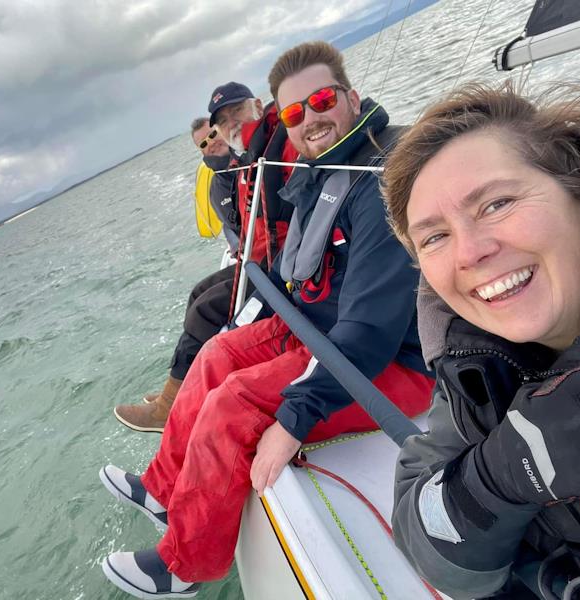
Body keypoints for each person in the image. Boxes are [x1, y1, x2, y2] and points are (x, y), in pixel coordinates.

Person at [99, 41, 434, 598]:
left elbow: (370, 334)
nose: (310, 119)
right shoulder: (319, 172)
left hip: (385, 364)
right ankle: (164, 491)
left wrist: (295, 417)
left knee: (236, 401)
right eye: (295, 113)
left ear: (350, 97)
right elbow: (292, 272)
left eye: (322, 99)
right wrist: (245, 327)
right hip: (317, 329)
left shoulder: (375, 181)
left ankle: (187, 564)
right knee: (216, 354)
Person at [383, 81, 580, 598]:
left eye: (497, 203)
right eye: (436, 236)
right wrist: (506, 470)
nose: (470, 252)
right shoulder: (478, 360)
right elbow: (422, 533)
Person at [112, 83, 297, 433]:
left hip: (276, 269)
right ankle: (175, 393)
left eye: (236, 114)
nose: (225, 131)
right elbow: (244, 229)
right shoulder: (234, 169)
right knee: (199, 293)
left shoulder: (265, 153)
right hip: (260, 263)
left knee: (207, 311)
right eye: (221, 123)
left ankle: (171, 405)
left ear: (258, 106)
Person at [190, 117, 241, 253]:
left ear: (222, 129)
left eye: (212, 135)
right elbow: (232, 227)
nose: (211, 143)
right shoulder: (215, 190)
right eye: (203, 144)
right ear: (201, 151)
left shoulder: (254, 154)